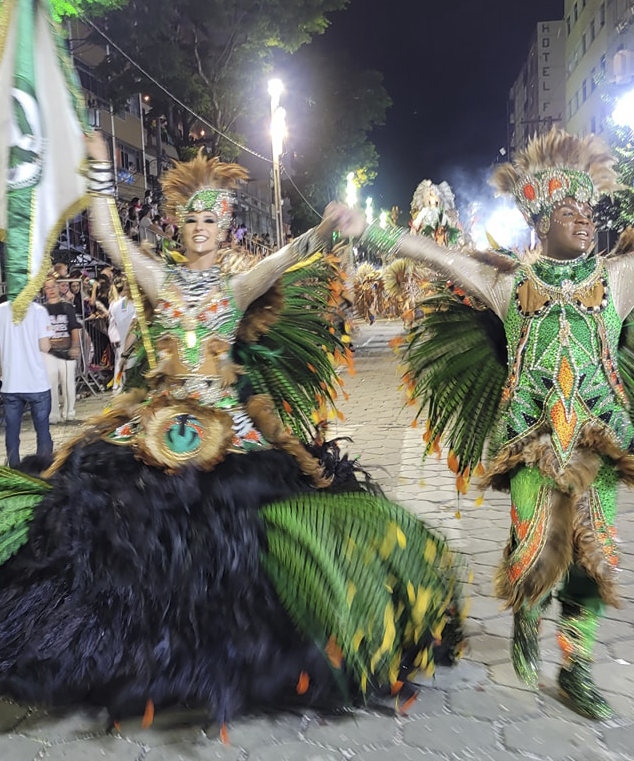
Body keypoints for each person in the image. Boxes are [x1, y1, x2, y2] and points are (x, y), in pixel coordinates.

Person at [0, 136, 465, 727]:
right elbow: (112, 239)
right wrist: (96, 169)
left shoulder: (234, 288)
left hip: (230, 428)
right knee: (116, 516)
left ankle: (219, 655)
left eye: (210, 220)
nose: (200, 227)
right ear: (180, 225)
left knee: (239, 531)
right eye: (191, 218)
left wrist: (327, 227)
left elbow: (291, 253)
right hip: (156, 424)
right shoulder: (159, 280)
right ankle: (131, 648)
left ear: (225, 229)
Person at [358, 129, 634, 720]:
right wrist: (366, 230)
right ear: (540, 222)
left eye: (589, 211)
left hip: (598, 446)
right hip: (532, 446)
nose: (585, 222)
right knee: (535, 555)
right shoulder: (510, 283)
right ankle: (527, 622)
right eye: (569, 212)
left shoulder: (617, 280)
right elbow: (435, 254)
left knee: (593, 560)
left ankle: (577, 668)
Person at [0, 298, 53, 468]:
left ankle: (14, 470)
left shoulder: (1, 310)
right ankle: (42, 471)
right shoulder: (38, 310)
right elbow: (45, 347)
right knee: (42, 431)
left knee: (12, 431)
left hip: (11, 381)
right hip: (36, 381)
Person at [41, 277, 82, 423]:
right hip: (50, 350)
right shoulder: (42, 309)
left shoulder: (67, 307)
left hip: (66, 349)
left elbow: (74, 327)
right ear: (44, 290)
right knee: (51, 382)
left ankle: (69, 411)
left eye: (53, 287)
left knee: (68, 382)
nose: (51, 290)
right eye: (47, 288)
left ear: (58, 288)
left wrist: (75, 346)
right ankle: (54, 413)